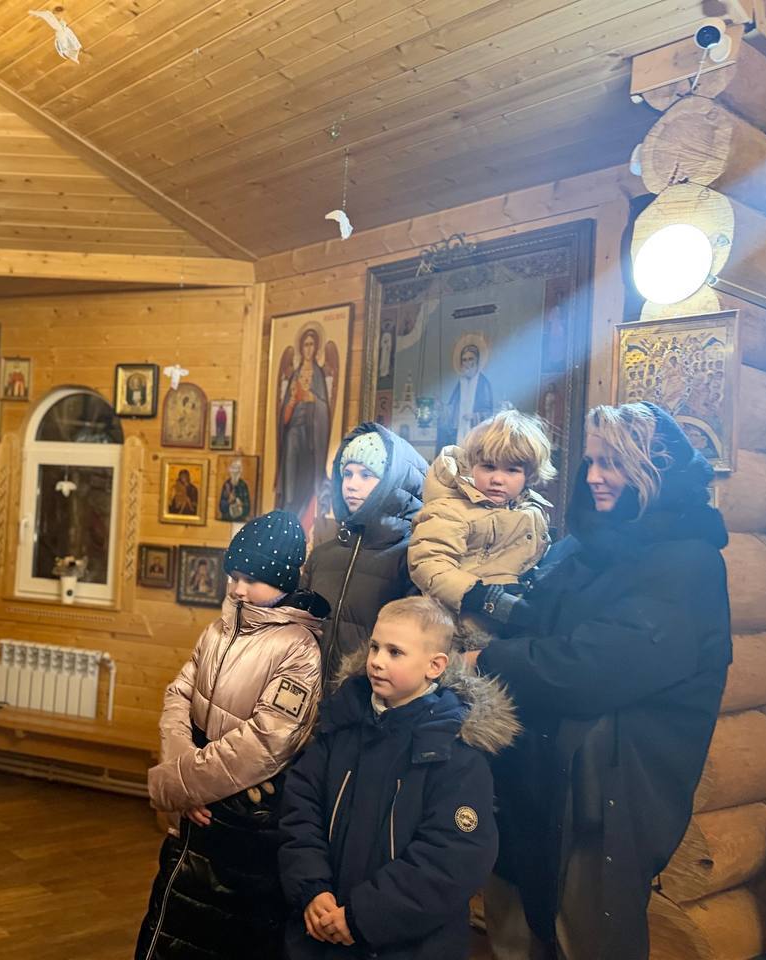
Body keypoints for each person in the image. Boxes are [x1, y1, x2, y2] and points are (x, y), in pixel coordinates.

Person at [472, 401, 731, 960]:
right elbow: (536, 617)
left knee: (585, 938)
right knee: (517, 933)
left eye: (611, 462)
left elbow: (594, 666)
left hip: (603, 799)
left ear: (653, 468)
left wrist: (489, 660)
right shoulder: (586, 548)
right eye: (590, 461)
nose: (593, 476)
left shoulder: (687, 562)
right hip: (537, 779)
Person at [136, 511, 329, 960]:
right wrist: (183, 777)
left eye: (252, 580)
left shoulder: (298, 648)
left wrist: (185, 785)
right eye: (234, 576)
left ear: (283, 580)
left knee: (224, 935)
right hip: (197, 807)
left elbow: (266, 742)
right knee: (170, 923)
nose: (239, 589)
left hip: (243, 819)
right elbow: (179, 694)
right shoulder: (218, 630)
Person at [278, 596, 516, 960]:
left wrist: (362, 916)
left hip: (407, 945)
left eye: (395, 652)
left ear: (435, 666)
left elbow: (452, 858)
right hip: (321, 927)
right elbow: (300, 807)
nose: (376, 661)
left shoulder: (458, 754)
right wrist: (312, 887)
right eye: (375, 647)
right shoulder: (342, 722)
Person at [408, 410, 554, 649]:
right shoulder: (450, 509)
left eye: (512, 470)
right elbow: (429, 564)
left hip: (512, 627)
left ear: (528, 475)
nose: (498, 479)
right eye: (488, 467)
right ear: (472, 466)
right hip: (459, 629)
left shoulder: (533, 512)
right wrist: (481, 596)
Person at [301, 421, 428, 692]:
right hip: (309, 698)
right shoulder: (322, 555)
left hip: (369, 702)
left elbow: (413, 646)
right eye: (347, 474)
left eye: (366, 475)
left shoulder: (411, 557)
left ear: (393, 482)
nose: (352, 485)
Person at [275, 328, 333, 528]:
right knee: (290, 475)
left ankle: (300, 516)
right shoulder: (295, 375)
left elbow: (324, 408)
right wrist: (292, 401)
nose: (308, 349)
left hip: (311, 437)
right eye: (305, 345)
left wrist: (311, 398)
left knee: (305, 479)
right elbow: (284, 416)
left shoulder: (317, 374)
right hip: (294, 432)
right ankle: (288, 509)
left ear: (316, 347)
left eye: (311, 344)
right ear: (301, 347)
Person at [440, 343, 494, 448]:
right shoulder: (461, 383)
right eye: (464, 360)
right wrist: (442, 407)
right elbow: (452, 408)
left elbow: (489, 413)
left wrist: (474, 416)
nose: (467, 363)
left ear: (477, 361)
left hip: (476, 433)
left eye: (470, 359)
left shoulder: (483, 383)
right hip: (459, 432)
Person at [218, 456, 252, 522]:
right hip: (226, 520)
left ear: (240, 471)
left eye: (238, 468)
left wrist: (240, 504)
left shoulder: (243, 485)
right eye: (233, 468)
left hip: (240, 521)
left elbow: (247, 508)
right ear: (230, 470)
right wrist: (229, 502)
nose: (235, 471)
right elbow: (221, 507)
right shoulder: (226, 485)